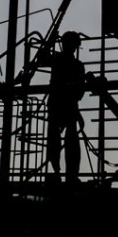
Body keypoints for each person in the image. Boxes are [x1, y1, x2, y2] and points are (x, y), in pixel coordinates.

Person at [46, 30, 86, 185]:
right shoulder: (76, 65)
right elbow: (79, 92)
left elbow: (41, 58)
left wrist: (50, 42)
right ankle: (69, 175)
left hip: (60, 105)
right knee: (68, 140)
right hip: (66, 106)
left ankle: (61, 173)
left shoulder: (58, 60)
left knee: (58, 140)